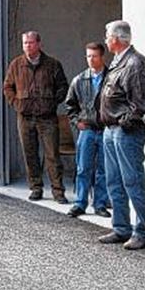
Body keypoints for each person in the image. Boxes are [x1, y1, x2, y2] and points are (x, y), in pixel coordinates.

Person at [97, 20, 145, 250]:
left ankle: (141, 231)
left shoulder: (135, 63)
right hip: (111, 130)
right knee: (114, 180)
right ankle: (121, 227)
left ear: (118, 39)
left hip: (125, 131)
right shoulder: (119, 62)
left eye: (108, 36)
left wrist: (123, 122)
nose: (106, 40)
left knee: (132, 180)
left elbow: (141, 103)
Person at [3, 31, 69, 203]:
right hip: (25, 117)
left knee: (52, 154)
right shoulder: (16, 65)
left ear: (39, 44)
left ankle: (58, 191)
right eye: (25, 43)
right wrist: (17, 104)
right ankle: (36, 187)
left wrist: (53, 103)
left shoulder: (52, 64)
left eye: (31, 43)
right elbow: (7, 87)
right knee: (30, 153)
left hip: (47, 117)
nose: (27, 46)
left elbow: (63, 87)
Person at [64, 42, 112, 218]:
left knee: (103, 169)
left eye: (94, 56)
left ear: (102, 57)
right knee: (83, 167)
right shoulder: (80, 79)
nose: (91, 60)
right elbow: (70, 105)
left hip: (105, 129)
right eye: (88, 56)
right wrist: (77, 122)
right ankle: (80, 202)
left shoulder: (111, 77)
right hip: (87, 129)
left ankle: (100, 203)